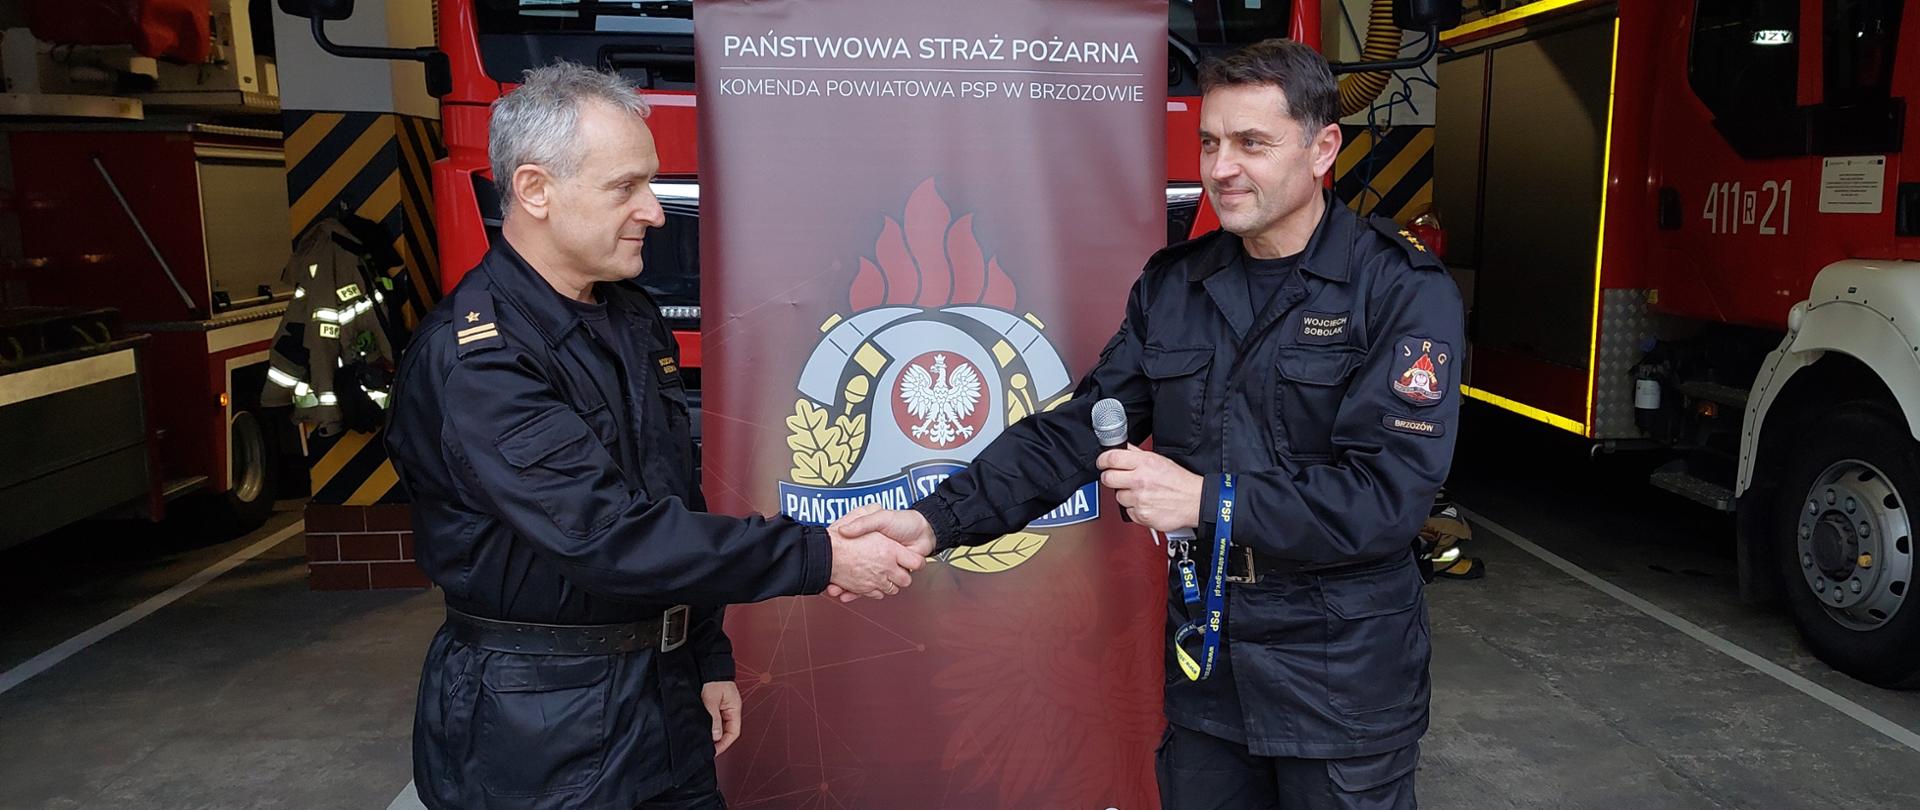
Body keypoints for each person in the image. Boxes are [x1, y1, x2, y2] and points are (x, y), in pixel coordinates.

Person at [834, 39, 1464, 809]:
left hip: (1343, 679)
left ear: (1323, 148)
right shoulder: (1177, 287)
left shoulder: (1399, 290)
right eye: (1210, 142)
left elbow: (1385, 500)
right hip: (1211, 665)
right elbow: (1071, 434)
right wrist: (933, 521)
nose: (1221, 167)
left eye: (1251, 143)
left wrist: (1206, 499)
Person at [385, 63, 923, 810]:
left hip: (661, 699)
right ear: (535, 190)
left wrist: (704, 654)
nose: (655, 211)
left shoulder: (629, 317)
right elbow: (611, 537)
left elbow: (671, 502)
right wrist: (822, 555)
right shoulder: (483, 361)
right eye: (625, 187)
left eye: (651, 182)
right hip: (537, 727)